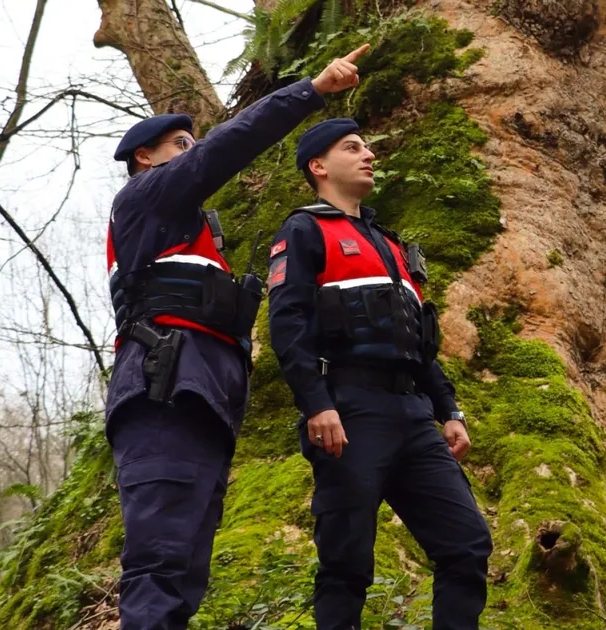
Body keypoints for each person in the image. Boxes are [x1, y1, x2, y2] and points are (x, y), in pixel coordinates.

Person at [103, 44, 371, 630]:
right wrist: (312, 90)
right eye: (179, 147)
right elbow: (229, 145)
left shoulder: (187, 233)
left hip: (200, 404)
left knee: (184, 573)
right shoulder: (144, 199)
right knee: (159, 565)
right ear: (146, 158)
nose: (192, 154)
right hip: (162, 398)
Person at [266, 117, 494, 630]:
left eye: (367, 146)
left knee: (466, 544)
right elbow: (287, 325)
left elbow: (418, 340)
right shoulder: (303, 231)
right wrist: (316, 403)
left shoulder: (389, 243)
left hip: (414, 415)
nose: (368, 154)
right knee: (347, 564)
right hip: (349, 410)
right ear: (318, 166)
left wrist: (448, 409)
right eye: (353, 147)